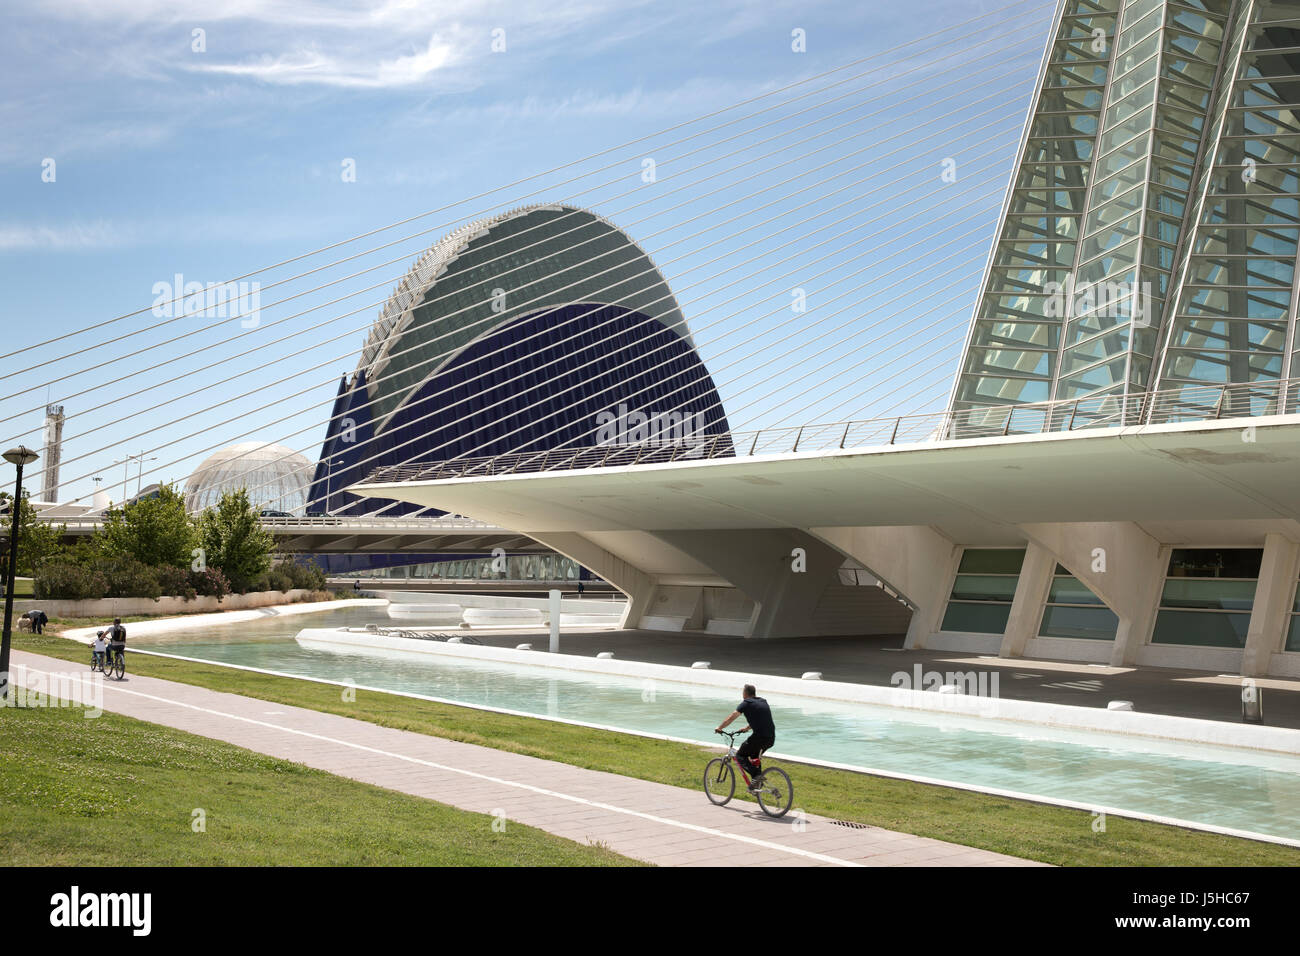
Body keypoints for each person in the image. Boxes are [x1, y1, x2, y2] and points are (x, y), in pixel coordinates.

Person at [715, 684, 776, 791]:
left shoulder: (746, 704)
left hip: (759, 738)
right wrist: (747, 728)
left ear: (745, 693)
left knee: (740, 756)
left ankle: (756, 777)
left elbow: (731, 717)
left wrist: (719, 727)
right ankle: (757, 785)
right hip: (770, 738)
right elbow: (761, 720)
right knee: (754, 757)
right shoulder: (763, 701)